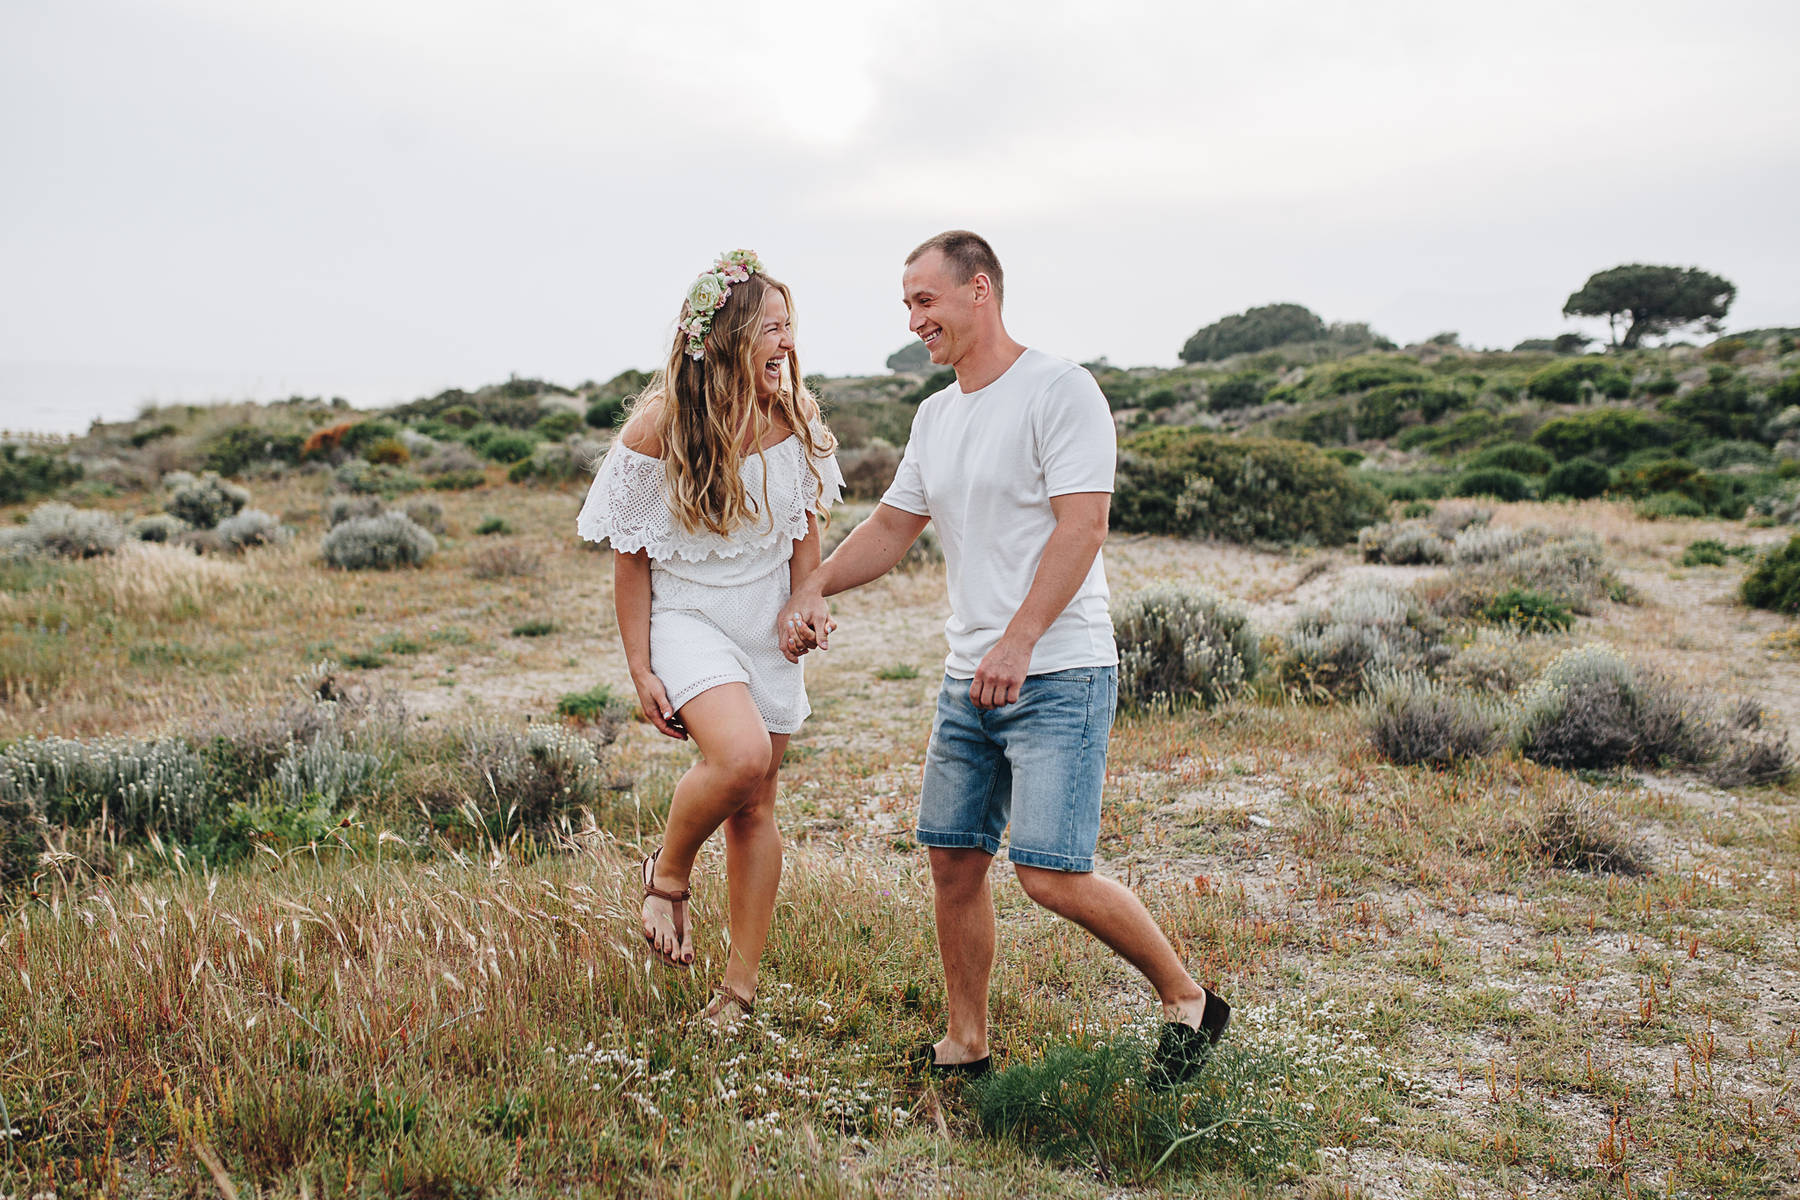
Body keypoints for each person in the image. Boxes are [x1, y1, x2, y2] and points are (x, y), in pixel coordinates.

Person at [778, 231, 1228, 1087]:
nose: (914, 320)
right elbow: (890, 528)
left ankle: (1188, 1001)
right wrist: (814, 590)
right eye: (907, 304)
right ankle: (967, 1043)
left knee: (1051, 875)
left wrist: (1018, 640)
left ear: (979, 290)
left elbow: (1082, 526)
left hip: (1059, 670)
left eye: (925, 301)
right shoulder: (936, 415)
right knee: (953, 862)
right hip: (966, 681)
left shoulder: (1061, 390)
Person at [578, 249, 843, 1029]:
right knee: (740, 758)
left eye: (790, 328)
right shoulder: (659, 427)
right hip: (688, 622)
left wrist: (808, 608)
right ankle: (667, 877)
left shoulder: (794, 421)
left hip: (766, 630)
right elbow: (631, 563)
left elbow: (805, 540)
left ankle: (738, 993)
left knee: (757, 807)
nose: (788, 345)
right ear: (727, 337)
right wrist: (640, 668)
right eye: (772, 328)